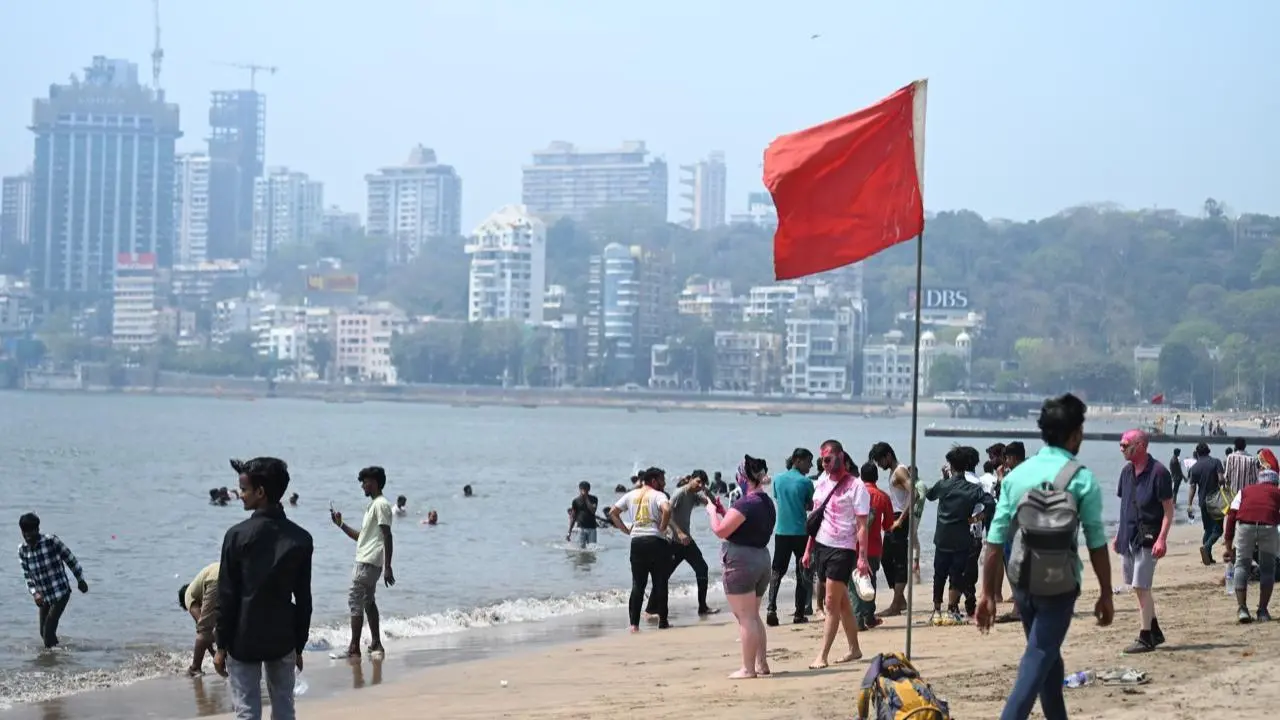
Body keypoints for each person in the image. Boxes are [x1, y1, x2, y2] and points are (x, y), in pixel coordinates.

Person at [977, 392, 1113, 720]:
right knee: (1038, 656)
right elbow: (1096, 543)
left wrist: (987, 594)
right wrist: (1106, 593)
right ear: (1076, 433)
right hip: (1060, 587)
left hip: (1022, 582)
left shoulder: (1017, 476)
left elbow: (995, 539)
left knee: (1047, 657)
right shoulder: (1082, 479)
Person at [214, 458, 313, 720]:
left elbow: (227, 596)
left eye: (244, 490)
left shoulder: (236, 535)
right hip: (283, 637)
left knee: (247, 711)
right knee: (283, 708)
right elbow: (304, 599)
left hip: (243, 637)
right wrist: (299, 645)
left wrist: (221, 645)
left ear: (260, 492)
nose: (241, 496)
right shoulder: (301, 538)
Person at [705, 455, 776, 679]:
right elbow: (740, 525)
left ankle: (748, 668)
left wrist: (712, 513)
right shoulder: (766, 502)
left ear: (744, 477)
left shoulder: (746, 503)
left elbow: (720, 531)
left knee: (745, 618)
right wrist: (724, 512)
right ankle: (761, 664)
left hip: (741, 562)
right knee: (753, 615)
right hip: (762, 559)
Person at [803, 439, 871, 669]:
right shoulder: (821, 482)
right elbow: (815, 518)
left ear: (841, 457)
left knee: (830, 602)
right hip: (822, 545)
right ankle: (855, 649)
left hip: (843, 549)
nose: (825, 464)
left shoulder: (856, 486)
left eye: (828, 459)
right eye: (822, 460)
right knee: (842, 603)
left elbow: (863, 525)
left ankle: (822, 655)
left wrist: (862, 558)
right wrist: (808, 550)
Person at [1114, 429, 1174, 654]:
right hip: (1129, 538)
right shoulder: (1126, 472)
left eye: (1125, 444)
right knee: (1138, 587)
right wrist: (1119, 536)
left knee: (1142, 586)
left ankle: (1145, 636)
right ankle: (1155, 631)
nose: (1121, 448)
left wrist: (1162, 539)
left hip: (1149, 538)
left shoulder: (1159, 472)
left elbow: (1168, 510)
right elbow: (1125, 506)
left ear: (1139, 445)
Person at [329, 466, 396, 659]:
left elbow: (387, 535)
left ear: (374, 483)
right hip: (370, 560)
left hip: (367, 561)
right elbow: (362, 537)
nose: (362, 486)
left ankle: (353, 648)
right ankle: (376, 643)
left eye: (364, 482)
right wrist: (341, 525)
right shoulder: (374, 506)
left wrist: (389, 566)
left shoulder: (381, 504)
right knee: (368, 601)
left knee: (355, 601)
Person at [926, 446, 994, 623]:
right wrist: (977, 518)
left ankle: (936, 610)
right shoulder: (973, 489)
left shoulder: (944, 485)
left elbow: (930, 495)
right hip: (962, 536)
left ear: (951, 466)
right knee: (956, 574)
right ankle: (951, 610)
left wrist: (944, 479)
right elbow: (990, 503)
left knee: (939, 573)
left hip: (942, 536)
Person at [610, 467, 672, 632]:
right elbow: (667, 509)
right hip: (656, 541)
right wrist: (663, 527)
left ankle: (634, 624)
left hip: (636, 541)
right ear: (654, 481)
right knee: (660, 582)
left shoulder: (631, 494)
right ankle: (663, 622)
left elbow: (613, 512)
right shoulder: (659, 495)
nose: (664, 483)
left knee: (638, 584)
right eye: (662, 480)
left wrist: (625, 530)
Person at [17, 513, 89, 649]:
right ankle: (59, 656)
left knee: (48, 629)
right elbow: (27, 575)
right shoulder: (22, 550)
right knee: (43, 632)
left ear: (37, 529)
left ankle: (52, 663)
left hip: (60, 592)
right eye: (25, 533)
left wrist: (80, 580)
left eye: (31, 532)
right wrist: (34, 593)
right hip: (44, 596)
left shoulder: (51, 541)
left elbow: (70, 559)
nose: (28, 536)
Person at [1223, 463, 1280, 623]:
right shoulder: (1277, 492)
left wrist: (1228, 545)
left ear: (1259, 481)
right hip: (1268, 526)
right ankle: (1262, 611)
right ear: (1275, 482)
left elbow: (1232, 515)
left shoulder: (1244, 491)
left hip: (1245, 525)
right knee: (1268, 569)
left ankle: (1242, 609)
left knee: (1241, 565)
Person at [767, 448, 815, 626]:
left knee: (777, 571)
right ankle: (799, 613)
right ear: (798, 460)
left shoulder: (777, 479)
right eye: (808, 461)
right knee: (802, 571)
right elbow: (810, 505)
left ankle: (771, 608)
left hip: (781, 531)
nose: (810, 465)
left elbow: (778, 498)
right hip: (800, 532)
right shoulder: (806, 482)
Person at [659, 470, 717, 616]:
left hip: (686, 542)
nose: (700, 485)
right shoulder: (680, 493)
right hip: (673, 541)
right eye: (698, 481)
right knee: (663, 575)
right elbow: (667, 514)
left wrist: (706, 490)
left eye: (702, 483)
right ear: (690, 479)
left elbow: (712, 502)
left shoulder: (694, 494)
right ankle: (651, 609)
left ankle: (702, 607)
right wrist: (678, 532)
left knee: (702, 568)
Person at [870, 442, 913, 616]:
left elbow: (914, 493)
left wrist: (901, 519)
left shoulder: (900, 471)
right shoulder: (894, 472)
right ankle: (900, 600)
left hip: (899, 519)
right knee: (886, 559)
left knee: (900, 561)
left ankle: (896, 605)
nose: (879, 465)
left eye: (880, 461)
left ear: (888, 456)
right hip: (893, 519)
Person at [857, 461, 894, 630]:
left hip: (853, 545)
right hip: (873, 547)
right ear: (877, 477)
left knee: (853, 582)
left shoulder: (854, 493)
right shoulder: (883, 497)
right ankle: (869, 616)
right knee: (870, 582)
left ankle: (856, 617)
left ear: (861, 476)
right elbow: (888, 525)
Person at [1186, 442, 1226, 565]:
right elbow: (1220, 479)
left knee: (1208, 529)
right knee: (1218, 530)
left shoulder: (1195, 467)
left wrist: (1189, 504)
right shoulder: (1216, 462)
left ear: (1197, 453)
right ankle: (1207, 547)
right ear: (1209, 451)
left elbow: (1192, 487)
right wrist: (1223, 484)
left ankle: (1208, 557)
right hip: (1215, 501)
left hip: (1203, 502)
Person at [179, 561, 220, 676]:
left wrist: (214, 654)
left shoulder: (188, 595)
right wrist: (214, 653)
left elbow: (202, 628)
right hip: (231, 572)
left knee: (203, 629)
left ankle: (195, 668)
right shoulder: (198, 586)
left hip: (215, 579)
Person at [566, 481, 600, 549]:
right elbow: (573, 517)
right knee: (581, 550)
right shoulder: (575, 501)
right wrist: (569, 532)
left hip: (592, 528)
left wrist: (586, 499)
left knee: (592, 549)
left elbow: (593, 511)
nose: (584, 491)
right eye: (583, 489)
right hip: (581, 528)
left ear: (589, 490)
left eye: (586, 490)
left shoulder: (594, 499)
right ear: (579, 489)